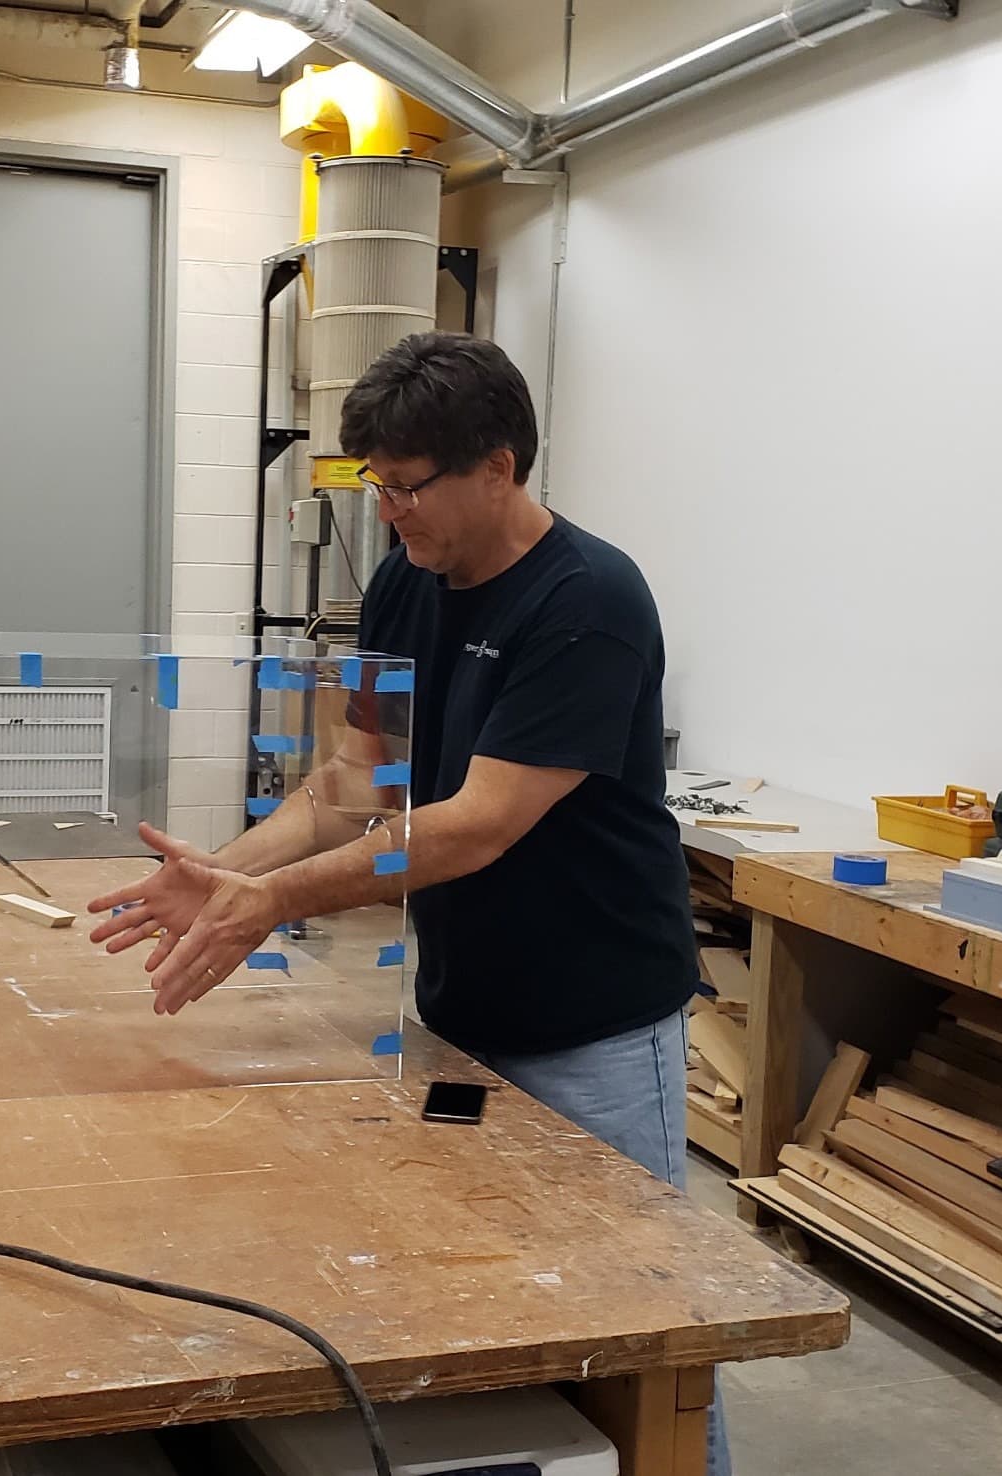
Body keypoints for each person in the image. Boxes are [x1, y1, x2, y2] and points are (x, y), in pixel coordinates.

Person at [88, 331, 729, 1476]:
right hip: (460, 1006)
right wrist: (229, 879)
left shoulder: (590, 600)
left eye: (407, 485)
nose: (388, 511)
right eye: (373, 485)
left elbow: (478, 823)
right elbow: (352, 786)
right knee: (498, 1291)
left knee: (642, 1316)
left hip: (595, 1023)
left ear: (500, 463)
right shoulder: (402, 578)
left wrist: (267, 903)